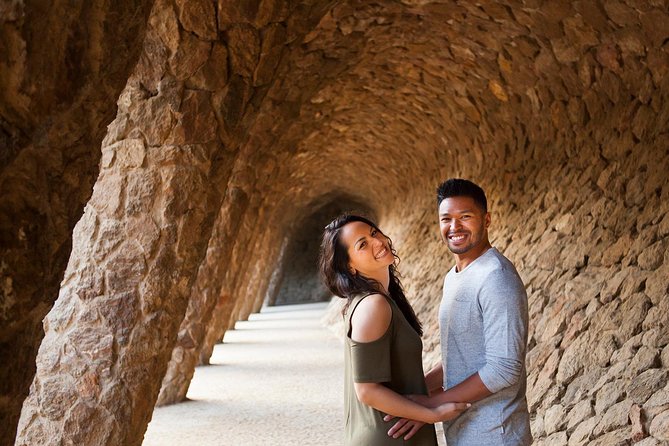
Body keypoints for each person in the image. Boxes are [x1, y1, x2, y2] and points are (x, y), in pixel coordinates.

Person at [387, 178, 532, 445]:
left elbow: (503, 369)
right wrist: (412, 391)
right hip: (464, 431)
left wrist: (429, 406)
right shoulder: (453, 277)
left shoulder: (497, 278)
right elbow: (462, 355)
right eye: (446, 218)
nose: (454, 227)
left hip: (495, 434)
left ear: (486, 220)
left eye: (465, 217)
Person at [318, 214, 470, 445]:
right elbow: (367, 390)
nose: (377, 242)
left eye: (373, 233)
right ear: (350, 266)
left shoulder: (380, 300)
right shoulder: (373, 305)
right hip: (390, 436)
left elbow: (401, 381)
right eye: (362, 244)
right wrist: (432, 414)